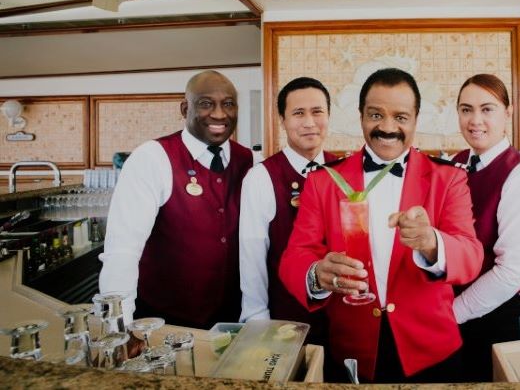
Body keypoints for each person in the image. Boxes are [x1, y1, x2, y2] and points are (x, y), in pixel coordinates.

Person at [279, 67, 482, 383]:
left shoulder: (449, 178)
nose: (388, 128)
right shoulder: (322, 181)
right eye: (376, 115)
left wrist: (432, 243)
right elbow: (295, 255)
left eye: (401, 117)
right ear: (360, 116)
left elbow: (471, 256)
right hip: (351, 350)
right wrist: (316, 274)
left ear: (415, 119)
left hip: (432, 350)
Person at [99, 70, 254, 329]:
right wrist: (120, 328)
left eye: (228, 104)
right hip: (164, 324)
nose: (219, 114)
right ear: (185, 108)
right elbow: (123, 251)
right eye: (206, 104)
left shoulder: (249, 160)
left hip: (234, 323)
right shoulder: (153, 158)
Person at [451, 74, 520, 382]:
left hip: (498, 315)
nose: (475, 120)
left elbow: (513, 271)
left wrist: (452, 313)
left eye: (487, 109)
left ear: (508, 113)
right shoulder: (455, 164)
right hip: (457, 315)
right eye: (466, 110)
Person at [239, 77, 337, 346]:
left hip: (343, 319)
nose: (309, 122)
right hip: (288, 321)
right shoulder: (261, 177)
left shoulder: (344, 170)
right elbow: (252, 257)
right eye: (298, 113)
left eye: (317, 112)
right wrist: (257, 320)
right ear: (282, 119)